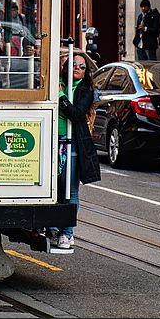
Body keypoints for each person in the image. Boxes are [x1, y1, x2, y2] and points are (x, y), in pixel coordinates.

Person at [49, 49, 101, 249]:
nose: (78, 69)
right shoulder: (57, 82)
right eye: (74, 65)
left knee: (70, 189)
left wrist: (62, 96)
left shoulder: (86, 89)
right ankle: (52, 226)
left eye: (82, 66)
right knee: (54, 188)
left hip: (72, 143)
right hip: (53, 140)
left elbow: (77, 114)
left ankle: (67, 233)